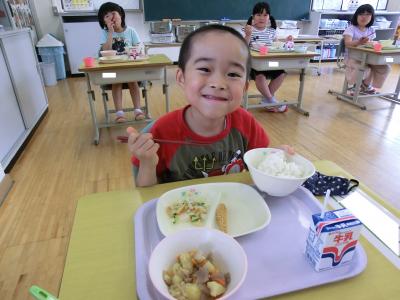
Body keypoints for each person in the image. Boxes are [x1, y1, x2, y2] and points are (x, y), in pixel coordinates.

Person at [126, 24, 293, 187]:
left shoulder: (245, 123)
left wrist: (275, 158)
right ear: (181, 78)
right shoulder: (160, 132)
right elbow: (146, 194)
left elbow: (259, 166)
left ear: (245, 87)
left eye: (233, 74)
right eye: (205, 69)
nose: (218, 83)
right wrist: (147, 163)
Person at [98, 2, 145, 122]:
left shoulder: (131, 31)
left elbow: (139, 48)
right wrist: (110, 32)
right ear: (103, 21)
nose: (111, 18)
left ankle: (138, 110)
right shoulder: (105, 33)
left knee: (132, 80)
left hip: (131, 69)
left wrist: (138, 51)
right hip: (111, 73)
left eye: (113, 13)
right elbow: (105, 50)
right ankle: (119, 113)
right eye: (106, 16)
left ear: (121, 15)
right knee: (116, 81)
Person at [243, 2, 288, 113]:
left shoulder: (272, 31)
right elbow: (242, 47)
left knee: (281, 73)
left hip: (271, 63)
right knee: (260, 77)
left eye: (265, 15)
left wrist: (287, 42)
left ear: (269, 17)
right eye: (258, 15)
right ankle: (271, 100)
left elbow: (277, 46)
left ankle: (266, 100)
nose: (262, 18)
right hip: (255, 65)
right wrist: (248, 35)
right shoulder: (249, 30)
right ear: (253, 16)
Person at [343, 4, 391, 94]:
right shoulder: (351, 29)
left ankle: (365, 85)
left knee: (385, 67)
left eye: (368, 14)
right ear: (356, 15)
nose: (364, 17)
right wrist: (358, 42)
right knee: (364, 68)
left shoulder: (371, 30)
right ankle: (358, 86)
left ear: (372, 17)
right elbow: (347, 43)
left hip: (368, 57)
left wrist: (376, 44)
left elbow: (371, 43)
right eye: (361, 14)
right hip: (353, 58)